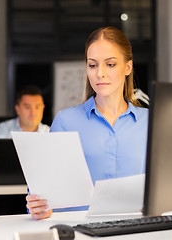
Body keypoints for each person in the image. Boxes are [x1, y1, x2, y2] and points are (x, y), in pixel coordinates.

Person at [26, 27, 148, 220]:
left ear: (128, 67)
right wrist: (40, 206)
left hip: (136, 231)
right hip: (81, 231)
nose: (100, 73)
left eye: (110, 64)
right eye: (92, 65)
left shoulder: (149, 122)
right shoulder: (66, 121)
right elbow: (45, 189)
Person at [0, 85, 50, 216]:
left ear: (43, 108)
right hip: (4, 194)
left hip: (37, 195)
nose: (33, 112)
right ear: (18, 109)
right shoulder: (3, 129)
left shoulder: (49, 132)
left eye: (37, 107)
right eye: (27, 107)